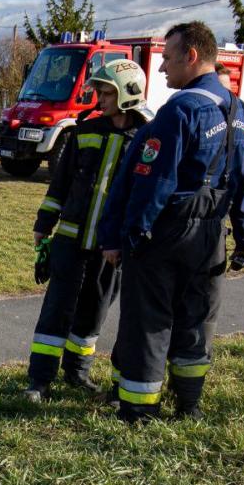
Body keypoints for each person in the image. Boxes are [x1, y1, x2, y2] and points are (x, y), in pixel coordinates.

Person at [97, 21, 244, 422]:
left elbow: (153, 181)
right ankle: (189, 402)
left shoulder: (180, 111)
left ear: (191, 56)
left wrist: (130, 234)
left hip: (168, 231)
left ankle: (138, 407)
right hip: (210, 235)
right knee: (197, 317)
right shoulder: (237, 110)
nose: (163, 68)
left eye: (168, 58)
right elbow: (243, 177)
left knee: (148, 318)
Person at [24, 58, 152, 400]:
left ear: (127, 93)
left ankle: (77, 373)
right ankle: (39, 380)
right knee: (56, 309)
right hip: (70, 239)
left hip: (111, 247)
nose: (99, 96)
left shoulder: (146, 139)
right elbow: (60, 184)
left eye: (105, 91)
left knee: (95, 310)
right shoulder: (86, 131)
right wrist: (43, 225)